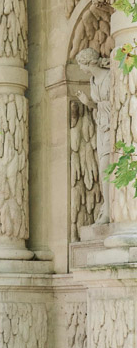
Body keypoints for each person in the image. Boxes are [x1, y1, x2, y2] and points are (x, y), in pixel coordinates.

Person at [76, 47, 111, 225]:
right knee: (103, 169)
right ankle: (108, 208)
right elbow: (98, 106)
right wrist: (87, 102)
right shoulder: (92, 80)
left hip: (114, 126)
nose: (80, 68)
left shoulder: (109, 76)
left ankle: (112, 210)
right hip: (102, 126)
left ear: (88, 62)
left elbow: (116, 101)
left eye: (81, 64)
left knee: (108, 167)